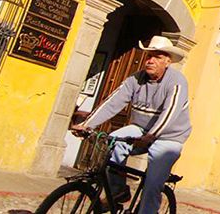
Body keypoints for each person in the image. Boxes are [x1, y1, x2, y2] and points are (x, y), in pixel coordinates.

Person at [72, 36, 191, 214]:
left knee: (152, 183)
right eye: (149, 55)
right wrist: (87, 124)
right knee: (113, 142)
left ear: (168, 61)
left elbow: (170, 113)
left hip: (169, 137)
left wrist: (150, 137)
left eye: (157, 56)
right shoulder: (135, 79)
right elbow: (113, 102)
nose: (150, 60)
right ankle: (117, 190)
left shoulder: (177, 81)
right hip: (141, 129)